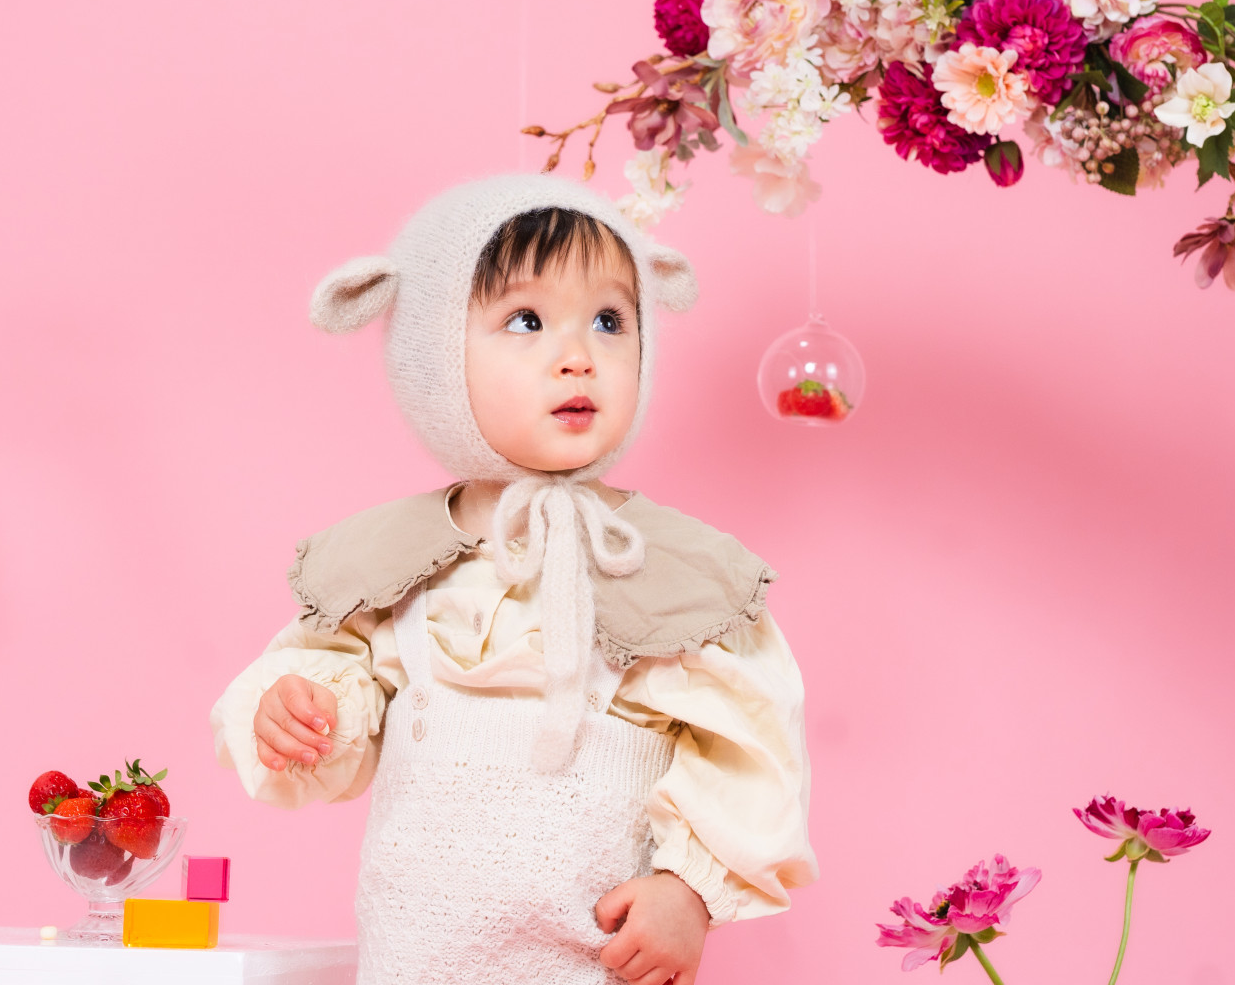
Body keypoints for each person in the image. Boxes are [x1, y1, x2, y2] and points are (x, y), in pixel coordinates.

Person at [211, 174, 815, 984]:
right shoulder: (394, 559)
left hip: (600, 955)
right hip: (417, 951)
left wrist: (687, 888)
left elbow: (749, 749)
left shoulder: (677, 571)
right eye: (525, 320)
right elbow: (326, 681)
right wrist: (299, 709)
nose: (577, 357)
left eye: (610, 321)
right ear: (431, 352)